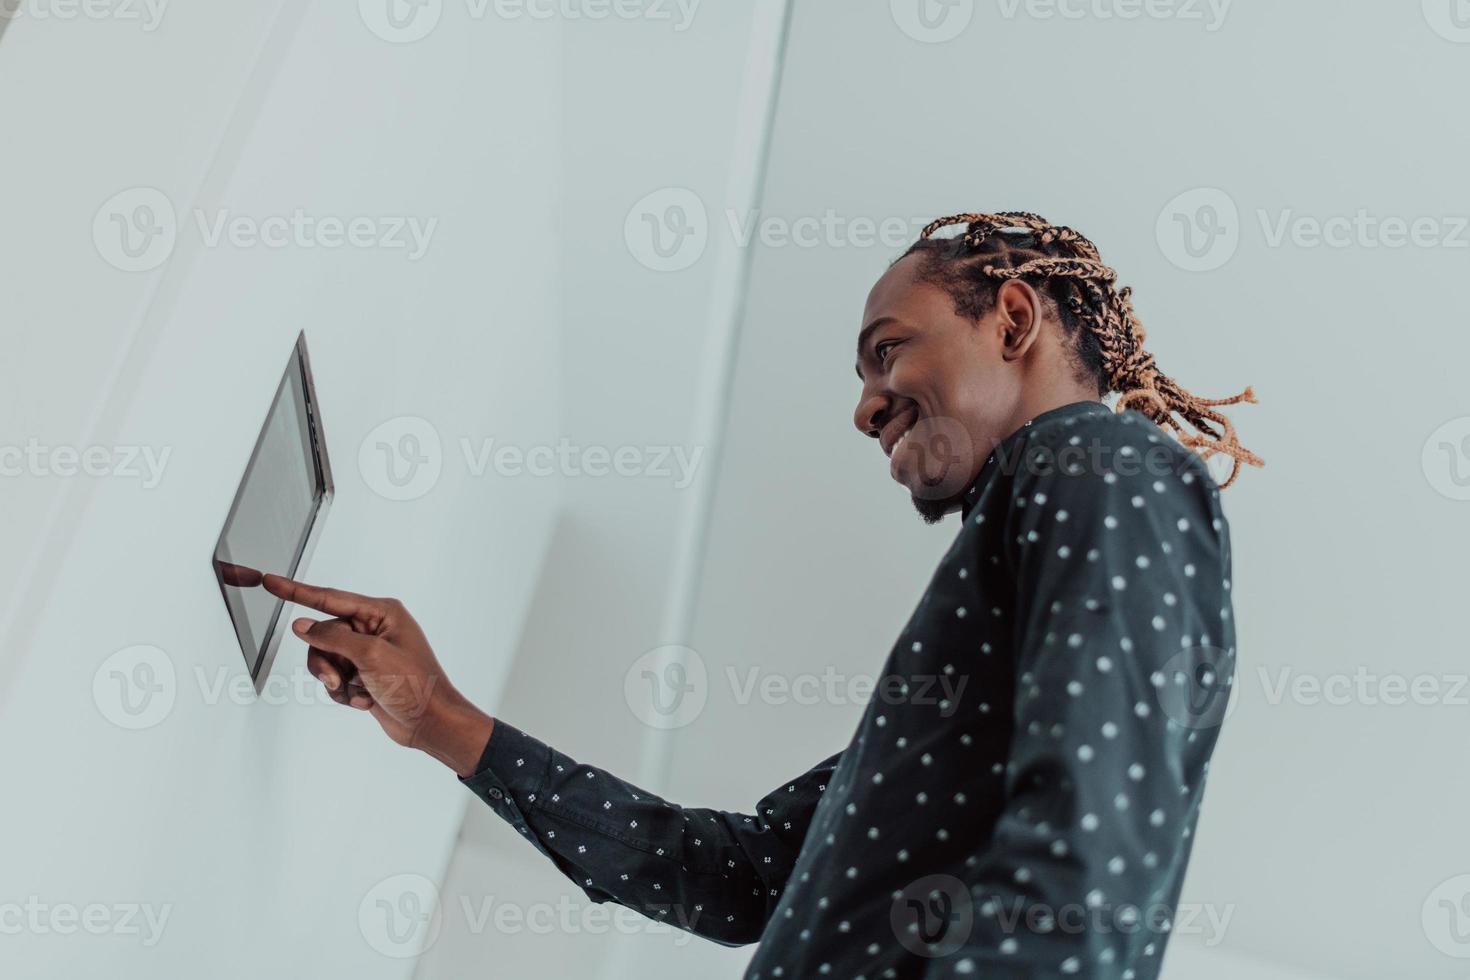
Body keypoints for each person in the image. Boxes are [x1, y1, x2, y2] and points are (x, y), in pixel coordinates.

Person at [263, 212, 1261, 978]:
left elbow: (1083, 867)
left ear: (1011, 318)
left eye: (887, 349)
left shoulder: (1100, 463)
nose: (865, 404)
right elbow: (736, 874)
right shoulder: (962, 701)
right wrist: (438, 715)